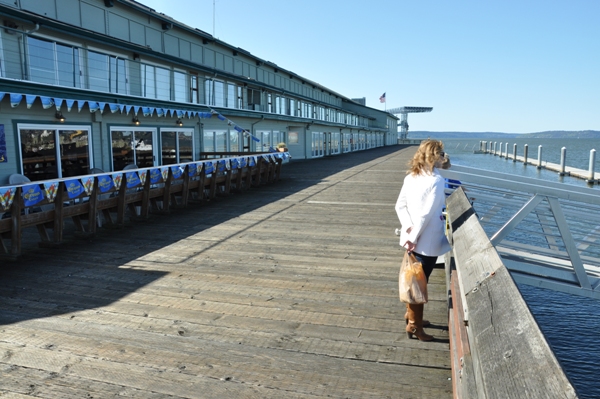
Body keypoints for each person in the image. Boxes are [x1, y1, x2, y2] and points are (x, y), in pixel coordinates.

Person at [395, 139, 451, 341]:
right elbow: (426, 215)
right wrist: (414, 236)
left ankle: (411, 317)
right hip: (426, 242)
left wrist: (409, 230)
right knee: (419, 285)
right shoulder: (436, 180)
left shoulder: (411, 177)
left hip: (413, 238)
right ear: (433, 156)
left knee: (414, 282)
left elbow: (400, 207)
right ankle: (415, 326)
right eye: (441, 153)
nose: (443, 157)